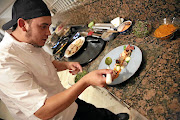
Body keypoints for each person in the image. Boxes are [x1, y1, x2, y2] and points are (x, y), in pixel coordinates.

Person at [0, 0, 129, 120]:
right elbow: (42, 110)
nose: (49, 33)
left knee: (94, 112)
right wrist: (85, 81)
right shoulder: (5, 63)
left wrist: (66, 65)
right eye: (43, 27)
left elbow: (47, 62)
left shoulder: (30, 41)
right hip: (56, 115)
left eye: (48, 26)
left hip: (65, 98)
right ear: (23, 25)